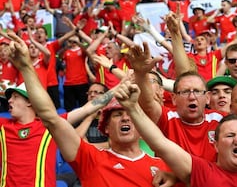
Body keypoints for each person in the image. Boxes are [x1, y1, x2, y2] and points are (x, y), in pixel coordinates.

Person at [5, 29, 172, 187]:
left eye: (131, 114)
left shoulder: (166, 168)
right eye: (117, 114)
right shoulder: (89, 158)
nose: (126, 118)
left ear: (143, 127)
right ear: (105, 127)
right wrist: (26, 67)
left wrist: (140, 76)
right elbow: (50, 117)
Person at [114, 81, 237, 186]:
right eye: (230, 136)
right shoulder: (203, 171)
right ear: (215, 144)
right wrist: (133, 109)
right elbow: (160, 143)